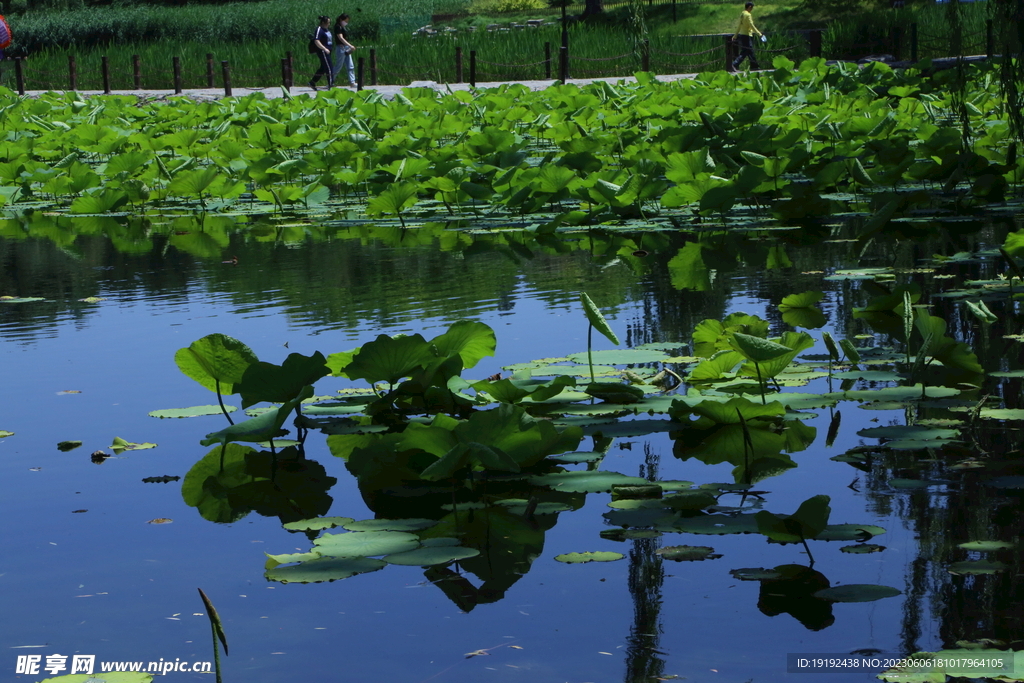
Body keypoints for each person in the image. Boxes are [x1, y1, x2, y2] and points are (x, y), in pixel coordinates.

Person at [731, 2, 762, 72]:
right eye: (752, 8)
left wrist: (735, 35)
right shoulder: (748, 15)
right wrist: (759, 34)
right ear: (749, 7)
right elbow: (751, 25)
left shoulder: (742, 14)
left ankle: (754, 66)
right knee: (745, 52)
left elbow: (739, 25)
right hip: (747, 35)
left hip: (742, 35)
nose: (752, 9)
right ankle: (734, 64)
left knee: (750, 51)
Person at [308, 15, 334, 91]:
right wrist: (324, 48)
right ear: (323, 22)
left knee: (323, 68)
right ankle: (331, 84)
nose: (329, 24)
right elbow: (316, 40)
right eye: (327, 22)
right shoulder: (319, 29)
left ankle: (312, 82)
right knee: (329, 67)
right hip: (323, 51)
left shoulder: (327, 30)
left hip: (328, 51)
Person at [332, 14, 357, 88]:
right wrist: (350, 45)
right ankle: (330, 80)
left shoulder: (342, 27)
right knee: (338, 66)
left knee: (350, 65)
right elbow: (341, 38)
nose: (346, 22)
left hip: (346, 48)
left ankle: (352, 82)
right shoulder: (337, 27)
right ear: (341, 20)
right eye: (345, 21)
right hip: (341, 48)